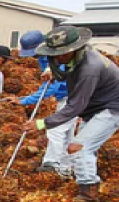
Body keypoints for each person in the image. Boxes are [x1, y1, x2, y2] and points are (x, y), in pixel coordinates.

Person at [21, 26, 119, 202]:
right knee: (81, 148)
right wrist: (53, 70)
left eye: (60, 54)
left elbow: (75, 107)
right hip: (95, 109)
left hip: (112, 108)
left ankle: (89, 198)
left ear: (72, 49)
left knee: (79, 148)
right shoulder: (77, 57)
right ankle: (87, 185)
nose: (57, 57)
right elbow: (67, 70)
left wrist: (42, 123)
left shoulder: (90, 68)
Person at [9, 30, 78, 178]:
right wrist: (24, 99)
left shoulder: (59, 56)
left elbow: (51, 87)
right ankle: (66, 169)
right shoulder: (43, 59)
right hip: (64, 98)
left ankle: (51, 164)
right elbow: (48, 86)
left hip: (73, 98)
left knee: (56, 129)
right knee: (66, 135)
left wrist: (24, 100)